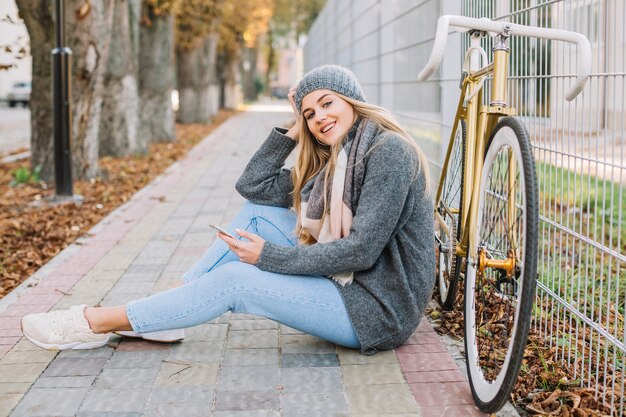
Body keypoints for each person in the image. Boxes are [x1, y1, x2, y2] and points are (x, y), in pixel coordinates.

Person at [21, 65, 435, 354]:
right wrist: (294, 128)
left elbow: (361, 252)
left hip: (378, 309)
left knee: (236, 280)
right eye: (309, 113)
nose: (319, 118)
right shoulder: (336, 162)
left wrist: (267, 258)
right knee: (257, 214)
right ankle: (172, 311)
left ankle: (96, 322)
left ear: (352, 100)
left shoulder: (387, 152)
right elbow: (252, 185)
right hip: (351, 285)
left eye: (327, 104)